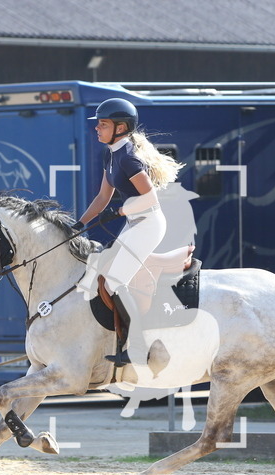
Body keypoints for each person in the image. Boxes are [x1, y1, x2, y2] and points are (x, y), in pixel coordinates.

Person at [74, 98, 183, 367]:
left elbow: (151, 199)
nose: (97, 129)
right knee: (100, 278)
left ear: (121, 127)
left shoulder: (129, 159)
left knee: (113, 282)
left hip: (148, 224)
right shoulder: (110, 154)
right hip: (135, 223)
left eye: (103, 124)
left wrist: (121, 211)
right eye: (98, 124)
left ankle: (138, 346)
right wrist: (79, 224)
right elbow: (102, 197)